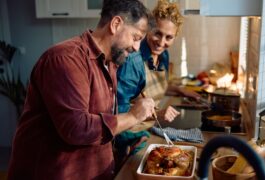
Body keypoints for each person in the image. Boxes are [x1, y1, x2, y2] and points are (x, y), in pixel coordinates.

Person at [7, 0, 155, 179]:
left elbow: (103, 123)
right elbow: (77, 129)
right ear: (116, 24)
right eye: (136, 37)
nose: (136, 47)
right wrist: (133, 116)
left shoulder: (110, 64)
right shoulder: (65, 59)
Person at [114, 0, 201, 159]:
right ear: (148, 29)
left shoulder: (163, 56)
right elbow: (118, 111)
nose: (161, 42)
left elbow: (152, 87)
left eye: (169, 37)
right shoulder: (133, 61)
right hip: (129, 135)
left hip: (149, 127)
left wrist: (180, 90)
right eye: (157, 33)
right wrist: (158, 114)